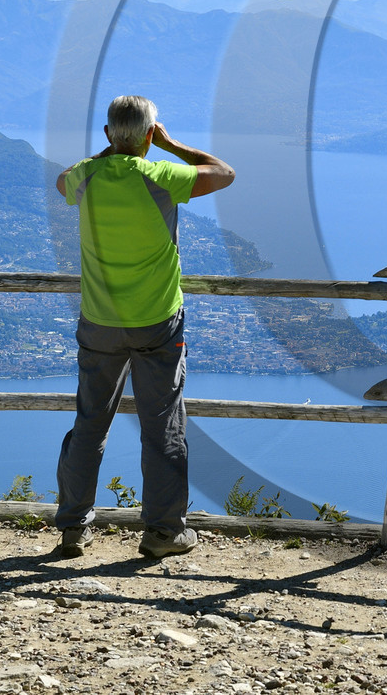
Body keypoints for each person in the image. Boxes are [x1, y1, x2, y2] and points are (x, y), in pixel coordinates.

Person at [51, 95, 235, 559]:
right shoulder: (161, 176)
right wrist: (170, 145)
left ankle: (74, 527)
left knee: (90, 424)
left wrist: (109, 149)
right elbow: (224, 172)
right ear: (150, 135)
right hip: (157, 322)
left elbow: (60, 182)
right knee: (162, 426)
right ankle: (164, 532)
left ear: (110, 133)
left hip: (99, 322)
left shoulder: (86, 177)